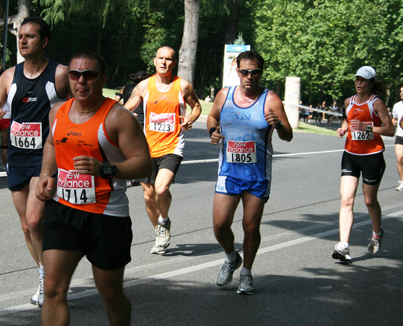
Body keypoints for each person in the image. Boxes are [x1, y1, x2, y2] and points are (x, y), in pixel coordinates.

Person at [36, 50, 152, 326]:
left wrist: (105, 169)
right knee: (52, 289)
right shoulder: (57, 112)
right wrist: (46, 174)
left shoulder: (117, 117)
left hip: (106, 216)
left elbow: (144, 164)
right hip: (62, 210)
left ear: (102, 79)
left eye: (89, 75)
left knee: (110, 294)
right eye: (75, 75)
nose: (81, 82)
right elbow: (53, 143)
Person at [0, 16, 70, 306]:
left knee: (35, 220)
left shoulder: (60, 74)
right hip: (17, 157)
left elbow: (82, 103)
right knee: (25, 226)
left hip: (45, 158)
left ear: (44, 42)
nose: (22, 40)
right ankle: (46, 275)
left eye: (30, 36)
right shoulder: (9, 76)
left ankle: (49, 280)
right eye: (20, 36)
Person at [207, 50, 293, 294]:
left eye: (254, 72)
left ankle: (246, 274)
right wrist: (212, 131)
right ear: (238, 71)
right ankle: (232, 257)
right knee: (220, 225)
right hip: (228, 172)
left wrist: (278, 124)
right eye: (244, 71)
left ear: (261, 73)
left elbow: (287, 136)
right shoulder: (225, 95)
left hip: (257, 175)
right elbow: (213, 116)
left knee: (250, 227)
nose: (249, 77)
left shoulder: (271, 99)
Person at [124, 46, 202, 255]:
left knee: (160, 189)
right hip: (147, 147)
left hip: (172, 146)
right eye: (160, 58)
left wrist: (189, 120)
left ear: (173, 63)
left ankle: (164, 220)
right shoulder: (143, 86)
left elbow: (196, 107)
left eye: (168, 59)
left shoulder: (182, 86)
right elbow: (127, 108)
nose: (164, 62)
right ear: (154, 60)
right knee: (148, 195)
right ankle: (160, 232)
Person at [332, 66, 394, 262]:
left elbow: (390, 130)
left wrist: (368, 127)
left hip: (372, 156)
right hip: (351, 154)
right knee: (346, 199)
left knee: (369, 201)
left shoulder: (376, 104)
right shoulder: (348, 102)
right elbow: (347, 121)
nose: (359, 83)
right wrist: (343, 130)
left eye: (363, 80)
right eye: (357, 79)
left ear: (371, 83)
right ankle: (343, 246)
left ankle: (376, 233)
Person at [391, 86, 403, 191]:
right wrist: (389, 128)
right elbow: (394, 119)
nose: (401, 93)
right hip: (400, 135)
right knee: (399, 159)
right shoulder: (397, 106)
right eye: (400, 91)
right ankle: (402, 181)